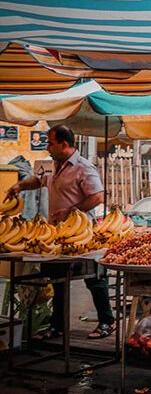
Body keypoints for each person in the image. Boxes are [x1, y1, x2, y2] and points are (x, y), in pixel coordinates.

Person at [7, 125, 115, 339]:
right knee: (57, 280)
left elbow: (97, 197)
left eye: (50, 143)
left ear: (64, 144)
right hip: (55, 233)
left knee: (94, 279)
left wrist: (72, 211)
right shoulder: (52, 165)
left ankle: (106, 322)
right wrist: (19, 187)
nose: (47, 147)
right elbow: (38, 181)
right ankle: (57, 326)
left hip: (81, 233)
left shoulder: (84, 168)